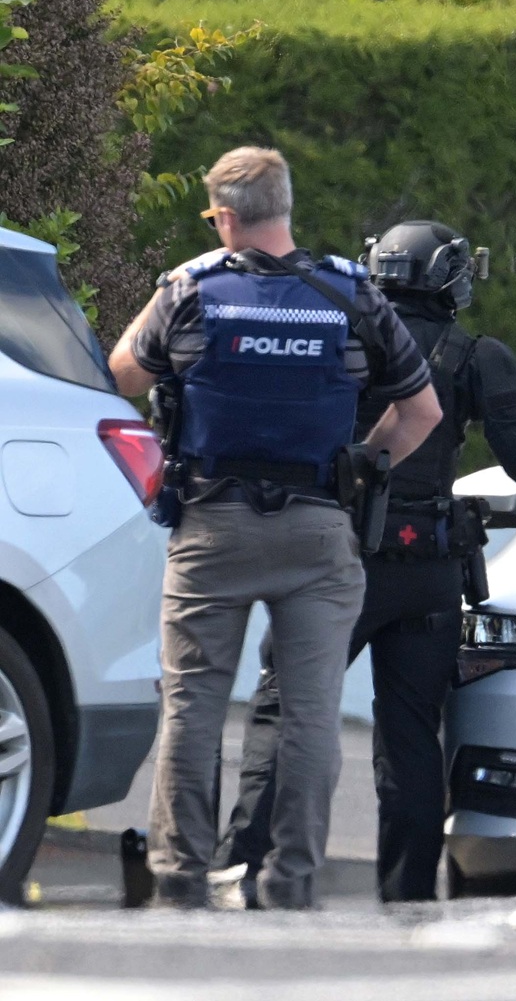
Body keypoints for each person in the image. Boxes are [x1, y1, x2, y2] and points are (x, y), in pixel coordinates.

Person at [210, 219, 516, 904]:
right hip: (429, 567)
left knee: (284, 710)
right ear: (448, 279)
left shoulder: (336, 337)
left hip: (338, 561)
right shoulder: (476, 355)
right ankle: (406, 895)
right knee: (410, 735)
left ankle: (240, 863)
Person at [109, 147, 442, 909]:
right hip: (320, 530)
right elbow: (422, 410)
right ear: (284, 207)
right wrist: (365, 463)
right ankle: (290, 881)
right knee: (311, 711)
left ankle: (180, 878)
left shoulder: (190, 290)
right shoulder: (351, 296)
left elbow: (119, 374)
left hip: (210, 526)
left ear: (225, 216)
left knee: (193, 706)